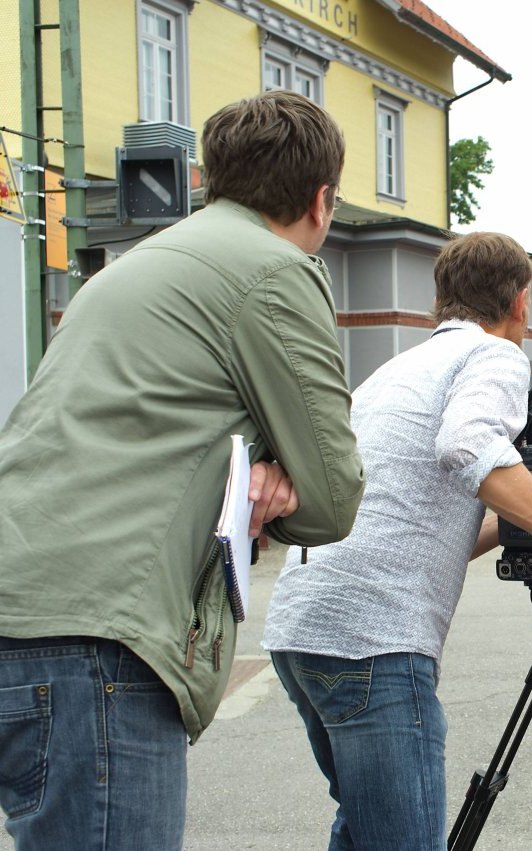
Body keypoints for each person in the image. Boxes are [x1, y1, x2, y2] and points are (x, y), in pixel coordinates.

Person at [0, 90, 365, 849]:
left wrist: (252, 461)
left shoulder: (132, 268)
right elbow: (333, 497)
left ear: (208, 178)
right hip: (102, 636)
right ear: (321, 199)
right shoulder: (276, 270)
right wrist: (270, 481)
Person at [262, 232, 532, 850]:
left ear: (441, 300)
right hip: (374, 642)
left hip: (302, 630)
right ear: (521, 301)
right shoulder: (495, 355)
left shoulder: (395, 371)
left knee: (364, 830)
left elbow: (413, 524)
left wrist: (524, 525)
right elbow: (469, 447)